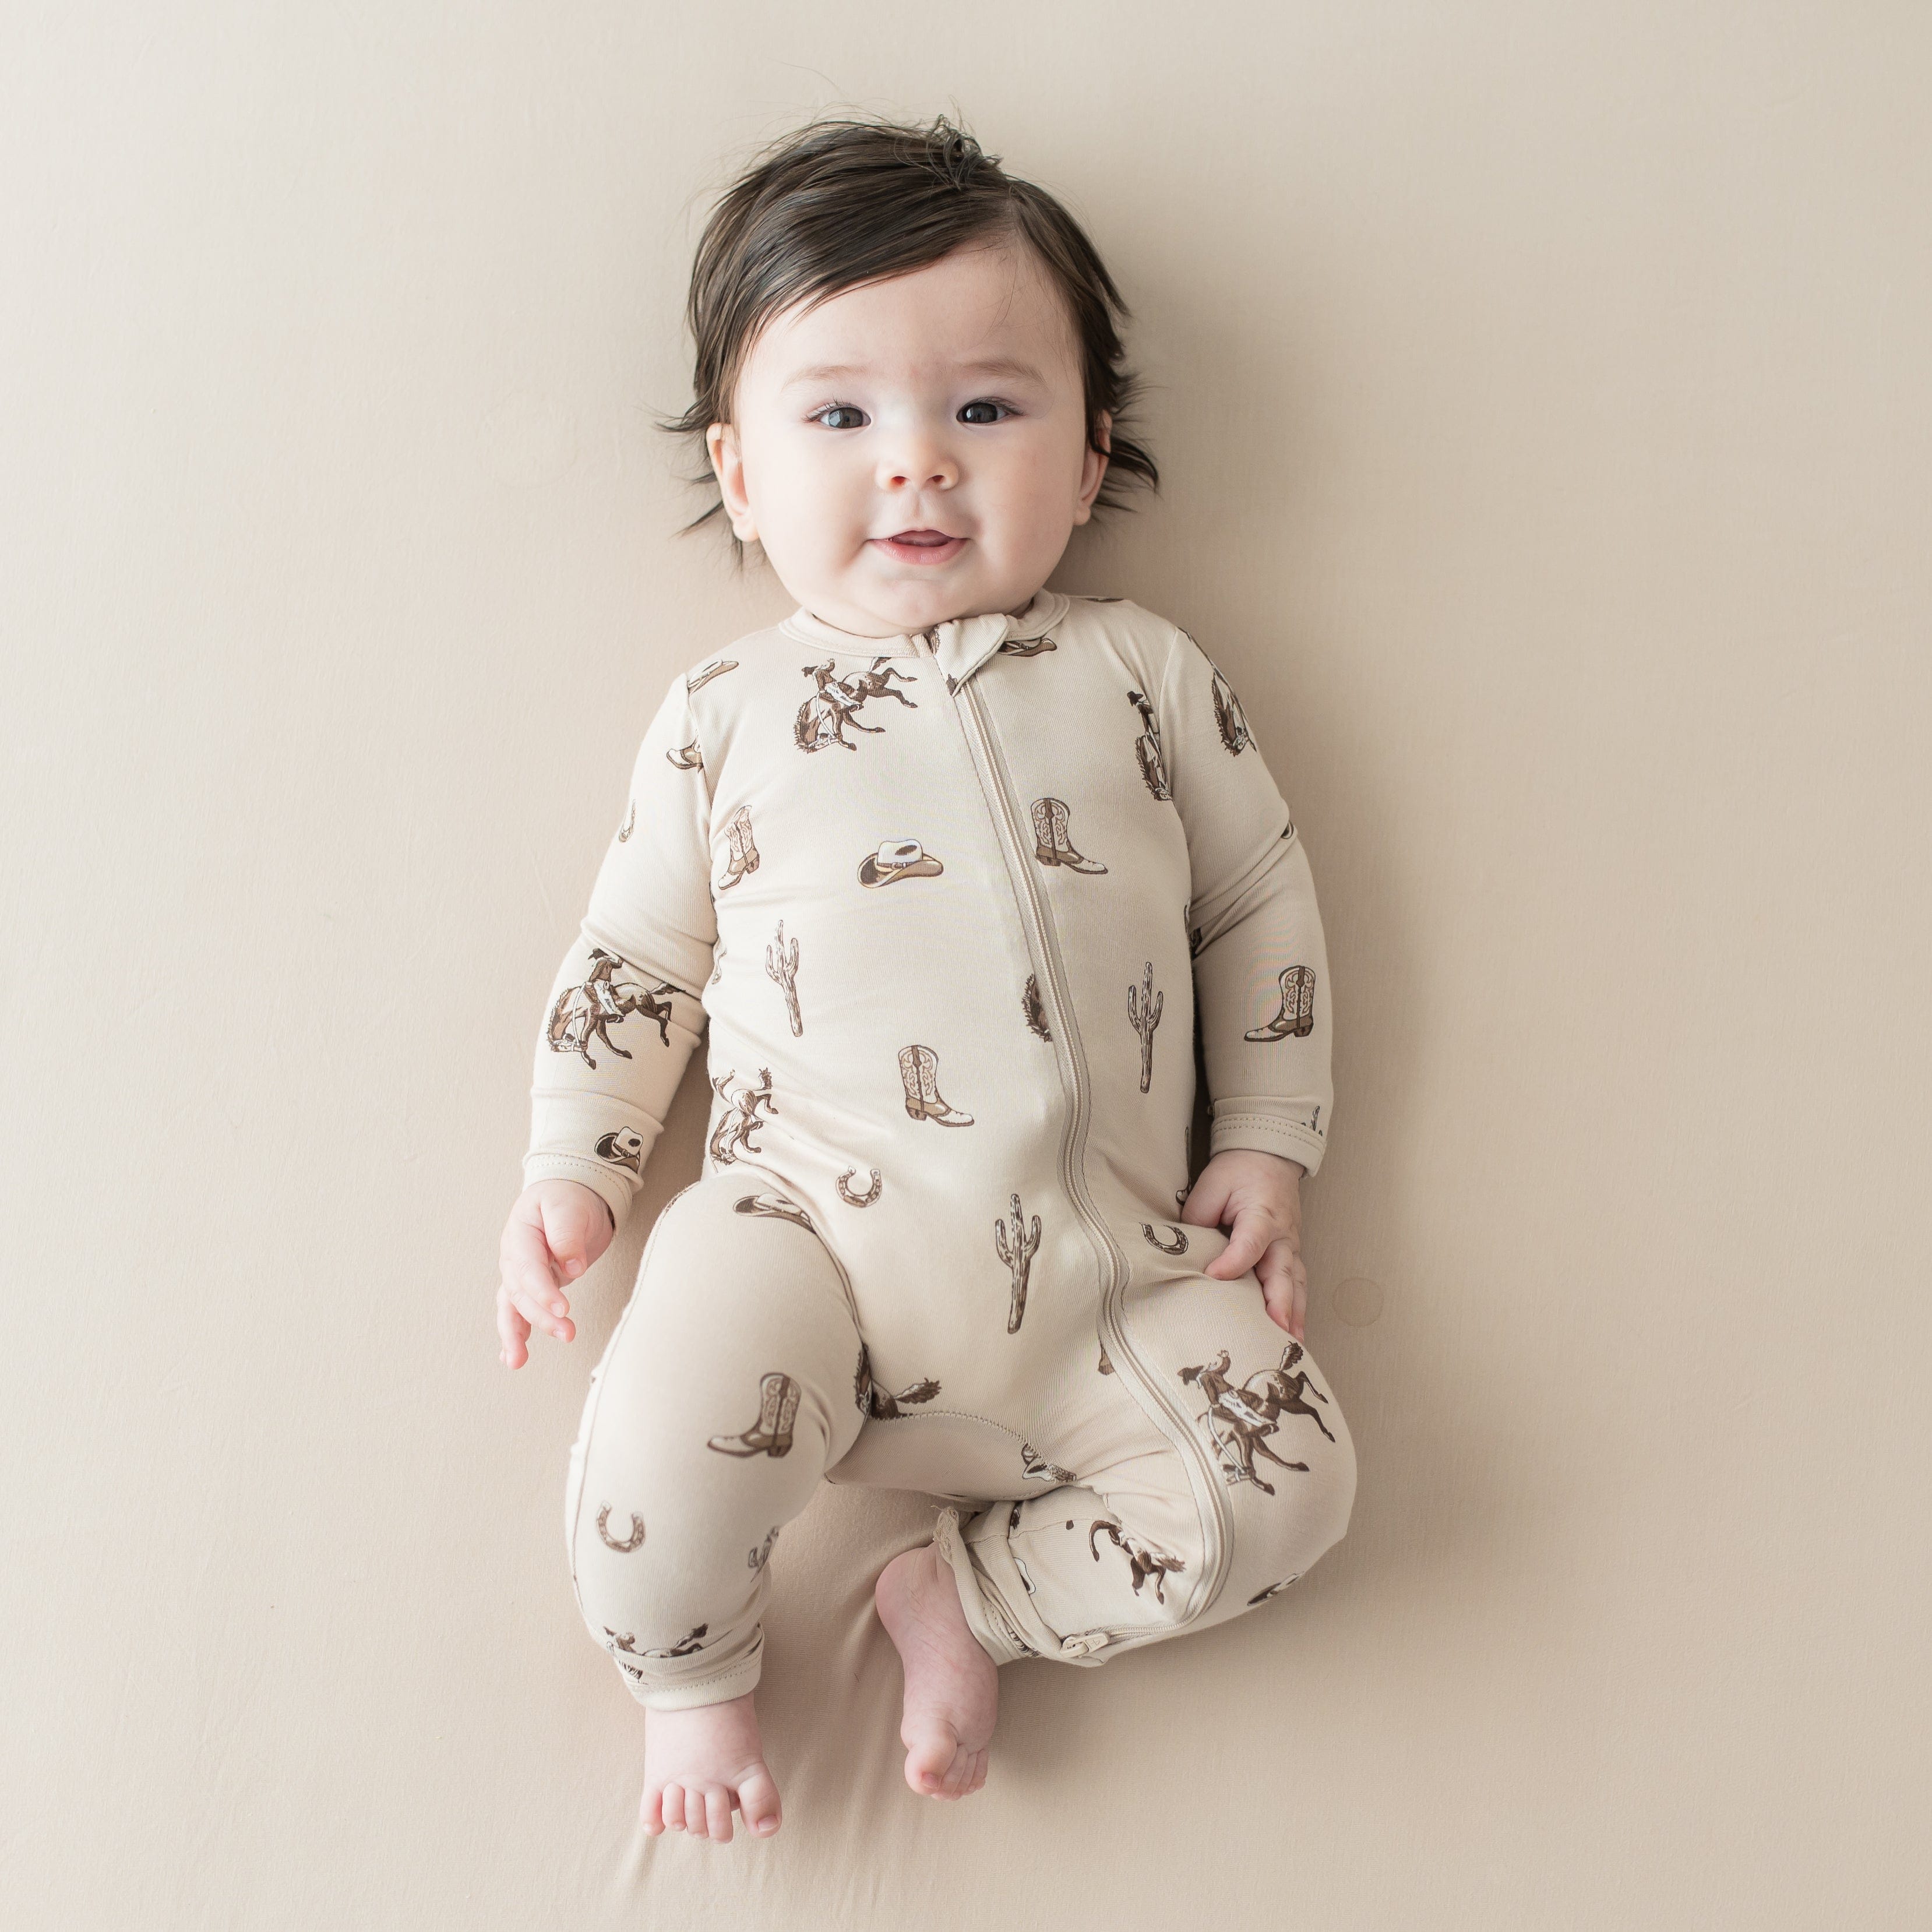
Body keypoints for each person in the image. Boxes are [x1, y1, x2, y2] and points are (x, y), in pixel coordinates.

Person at [495, 112, 1356, 1845]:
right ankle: (690, 1667)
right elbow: (636, 955)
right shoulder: (722, 714)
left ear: (1092, 448)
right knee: (661, 1423)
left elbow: (1256, 899)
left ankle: (967, 1600)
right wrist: (573, 1165)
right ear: (739, 472)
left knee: (1294, 1488)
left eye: (984, 406)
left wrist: (1268, 1139)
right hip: (802, 1240)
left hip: (1113, 1262)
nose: (917, 465)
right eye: (840, 416)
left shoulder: (1141, 672)